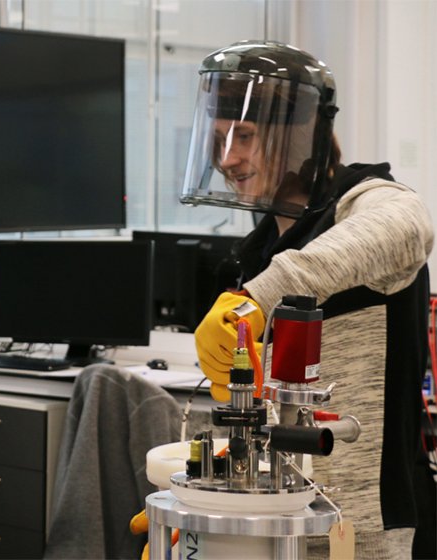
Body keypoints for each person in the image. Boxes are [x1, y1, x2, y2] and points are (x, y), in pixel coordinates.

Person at [185, 40, 433, 557]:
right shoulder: (254, 253)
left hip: (361, 524)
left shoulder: (365, 200)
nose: (228, 159)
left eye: (246, 137)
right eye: (219, 140)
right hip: (275, 514)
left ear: (299, 134)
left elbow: (406, 227)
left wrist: (264, 294)